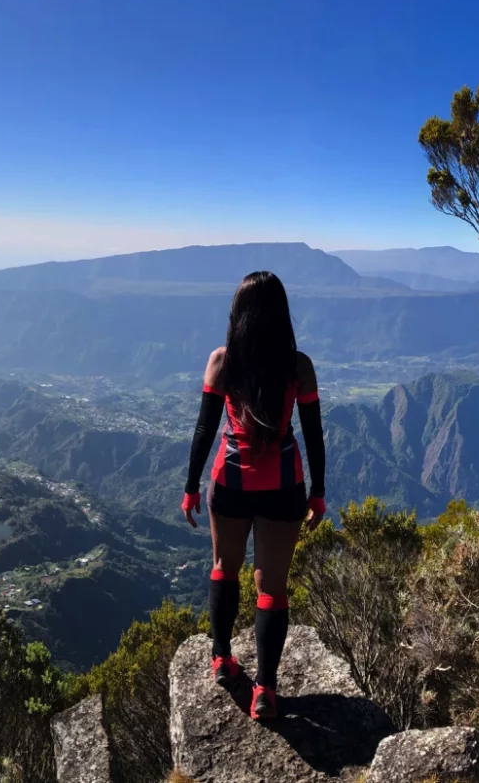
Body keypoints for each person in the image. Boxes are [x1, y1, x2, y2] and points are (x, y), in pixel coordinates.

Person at [181, 270, 327, 721]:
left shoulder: (222, 362)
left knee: (225, 568)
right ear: (281, 315)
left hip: (231, 482)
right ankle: (264, 689)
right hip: (284, 486)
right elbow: (314, 435)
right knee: (273, 589)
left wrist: (189, 487)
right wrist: (318, 492)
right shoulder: (297, 366)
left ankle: (222, 659)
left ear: (238, 314)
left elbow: (205, 429)